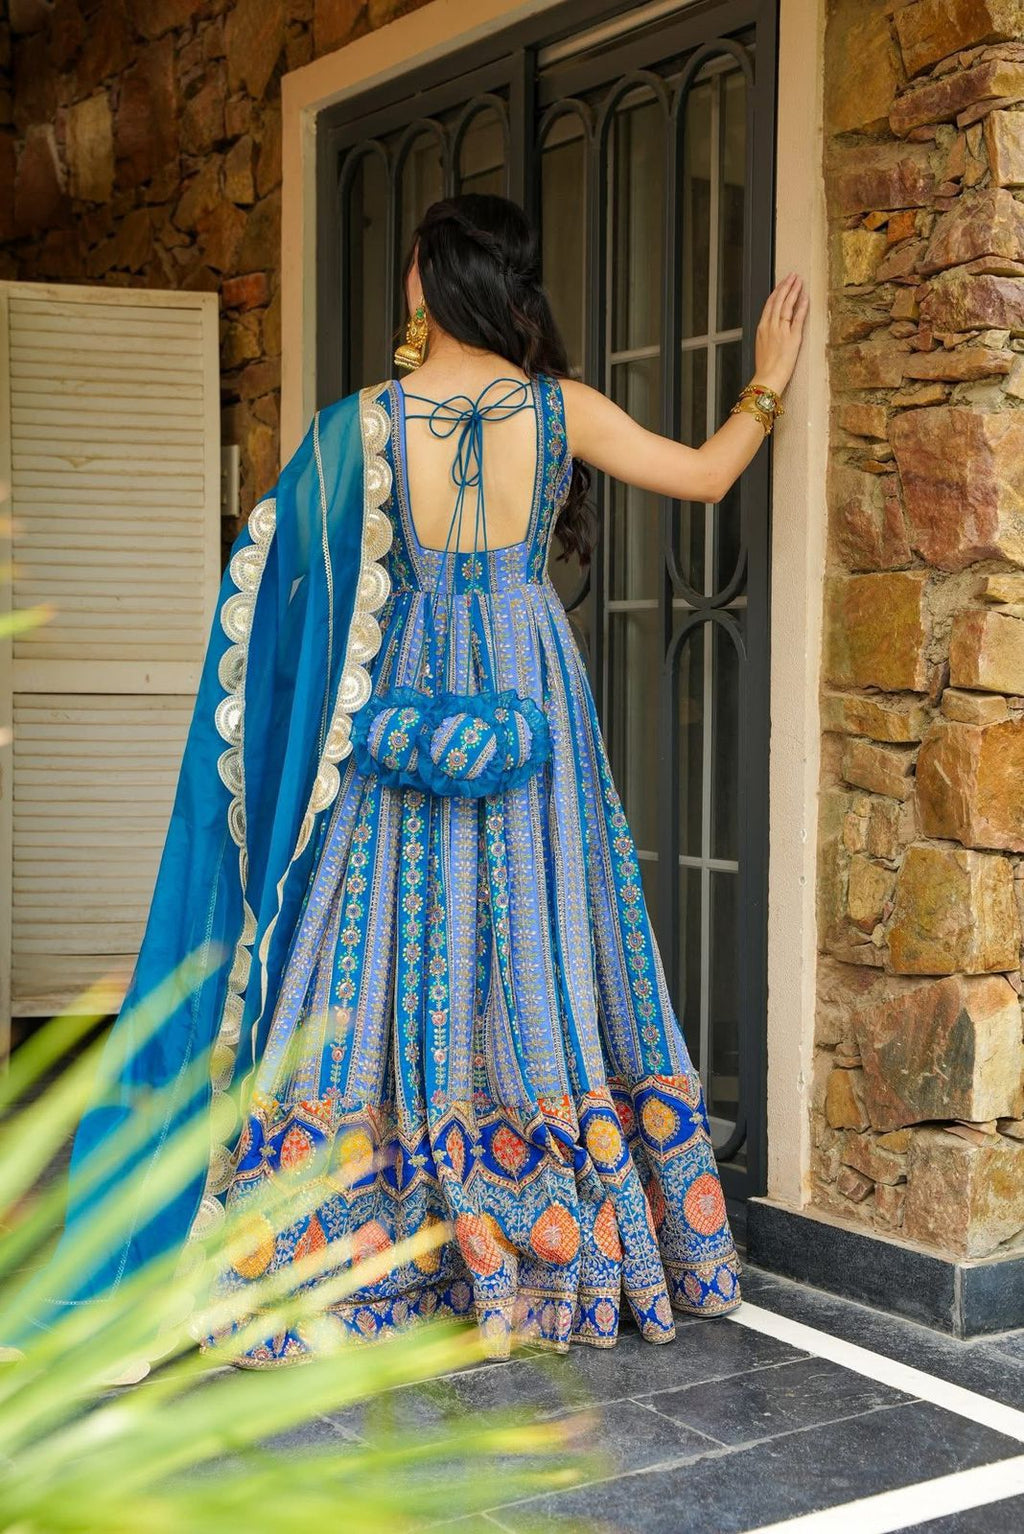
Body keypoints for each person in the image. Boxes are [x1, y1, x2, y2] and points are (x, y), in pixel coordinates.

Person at [18, 193, 807, 1375]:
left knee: (382, 945)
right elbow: (701, 477)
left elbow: (273, 605)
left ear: (419, 286)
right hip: (535, 695)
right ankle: (551, 1231)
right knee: (536, 939)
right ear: (507, 290)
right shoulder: (560, 410)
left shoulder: (363, 428)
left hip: (396, 705)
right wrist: (766, 384)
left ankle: (351, 1242)